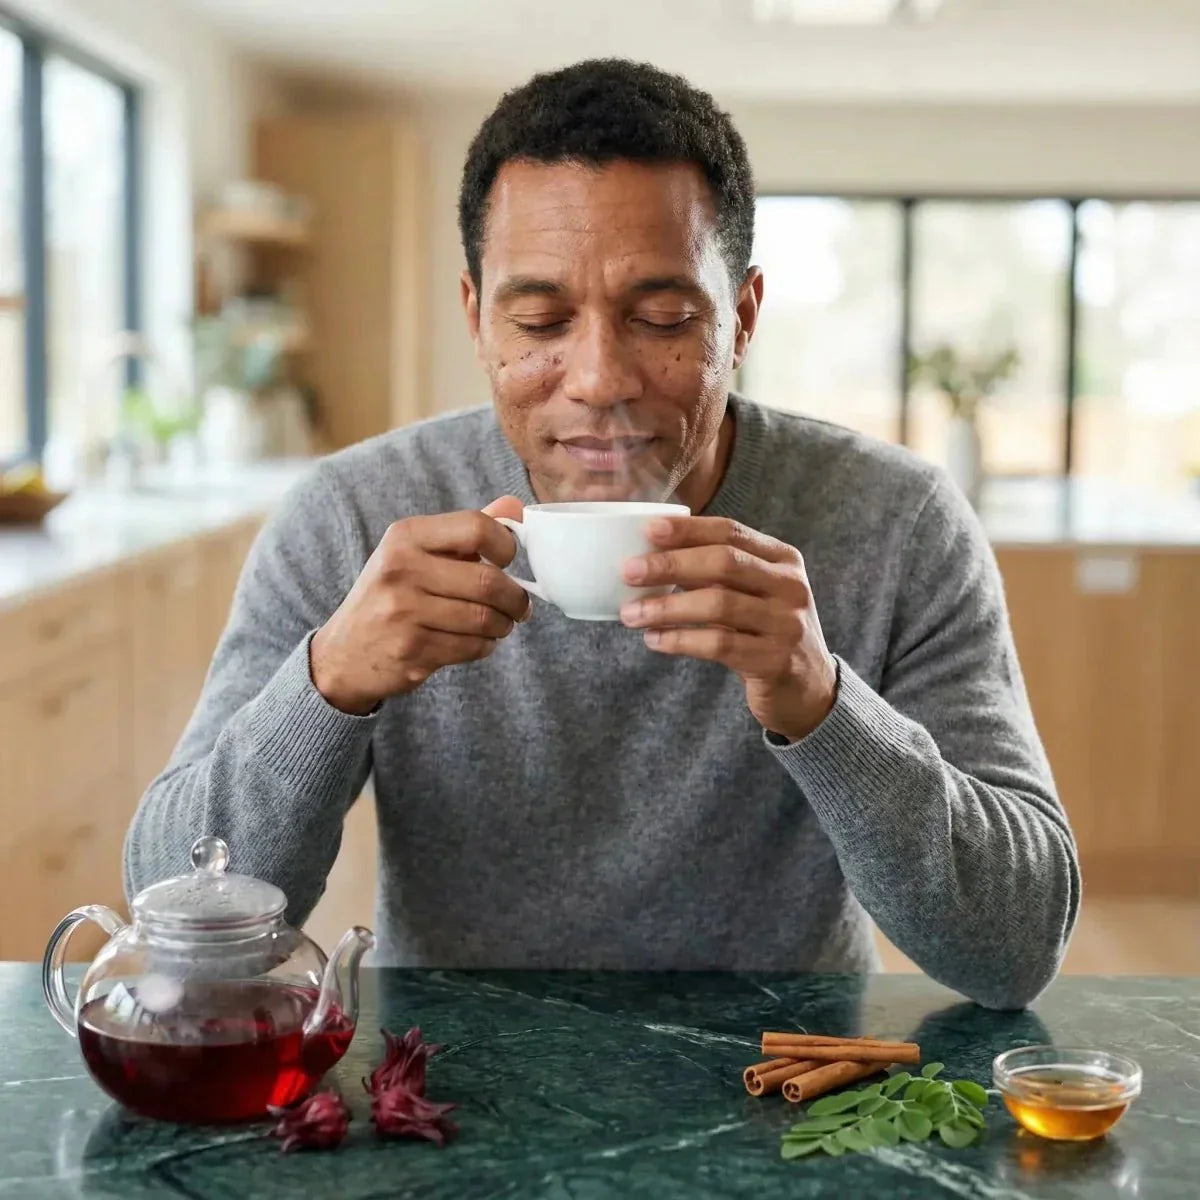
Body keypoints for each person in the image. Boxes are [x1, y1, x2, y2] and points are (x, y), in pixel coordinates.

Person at [125, 59, 1078, 1009]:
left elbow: (1017, 947)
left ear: (740, 319)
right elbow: (172, 911)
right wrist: (329, 683)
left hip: (781, 1084)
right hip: (454, 1081)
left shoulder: (897, 523)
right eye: (540, 319)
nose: (597, 379)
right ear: (476, 316)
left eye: (661, 317)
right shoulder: (350, 516)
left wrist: (822, 702)